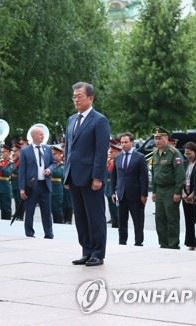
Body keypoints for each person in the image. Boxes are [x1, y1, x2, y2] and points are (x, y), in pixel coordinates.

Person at [65, 82, 110, 267]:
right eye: (74, 96)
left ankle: (98, 253)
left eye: (79, 96)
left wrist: (98, 177)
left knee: (95, 217)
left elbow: (101, 151)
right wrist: (67, 175)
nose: (76, 99)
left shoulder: (99, 120)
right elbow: (68, 149)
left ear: (90, 98)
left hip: (91, 177)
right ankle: (87, 250)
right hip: (74, 176)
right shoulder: (71, 120)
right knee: (81, 217)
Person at [112, 132, 149, 246]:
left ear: (131, 142)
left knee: (138, 221)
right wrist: (113, 192)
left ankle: (138, 242)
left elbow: (144, 177)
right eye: (122, 142)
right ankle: (122, 242)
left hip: (135, 195)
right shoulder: (117, 158)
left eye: (126, 142)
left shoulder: (139, 157)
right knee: (122, 221)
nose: (123, 144)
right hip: (121, 194)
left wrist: (144, 194)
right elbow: (114, 176)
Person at [151, 127, 185, 249]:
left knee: (172, 218)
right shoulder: (155, 154)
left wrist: (177, 192)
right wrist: (154, 191)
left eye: (160, 138)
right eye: (156, 138)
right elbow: (154, 173)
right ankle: (163, 243)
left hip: (171, 190)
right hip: (159, 190)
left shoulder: (174, 153)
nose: (157, 141)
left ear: (166, 138)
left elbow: (180, 174)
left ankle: (173, 244)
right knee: (160, 218)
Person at [19, 127, 54, 238]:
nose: (42, 136)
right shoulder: (25, 151)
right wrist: (22, 188)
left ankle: (48, 233)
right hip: (32, 185)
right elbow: (22, 171)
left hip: (45, 184)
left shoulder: (47, 149)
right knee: (30, 210)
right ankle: (29, 232)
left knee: (47, 211)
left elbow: (53, 163)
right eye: (40, 134)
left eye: (42, 135)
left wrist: (49, 169)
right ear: (33, 136)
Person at [0, 144, 13, 220]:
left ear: (8, 152)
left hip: (5, 187)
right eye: (1, 152)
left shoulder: (11, 163)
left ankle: (7, 222)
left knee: (7, 208)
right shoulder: (0, 161)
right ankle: (3, 222)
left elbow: (7, 173)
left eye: (4, 152)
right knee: (2, 208)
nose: (2, 154)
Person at [105, 139, 122, 228]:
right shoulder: (109, 161)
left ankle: (117, 222)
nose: (110, 153)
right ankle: (113, 219)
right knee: (111, 206)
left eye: (112, 152)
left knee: (116, 207)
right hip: (108, 186)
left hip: (116, 186)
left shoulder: (117, 161)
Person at [50, 145, 65, 224]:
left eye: (55, 154)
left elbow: (60, 174)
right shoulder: (50, 165)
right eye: (52, 154)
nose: (53, 156)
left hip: (57, 190)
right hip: (49, 189)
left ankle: (59, 224)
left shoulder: (62, 166)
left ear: (60, 154)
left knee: (57, 210)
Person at [11, 143, 24, 221]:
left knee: (20, 201)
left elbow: (22, 172)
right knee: (16, 200)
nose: (14, 153)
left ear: (19, 151)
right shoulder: (15, 161)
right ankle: (17, 214)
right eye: (13, 151)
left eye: (15, 151)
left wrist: (15, 174)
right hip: (15, 184)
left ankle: (20, 216)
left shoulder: (21, 161)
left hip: (20, 184)